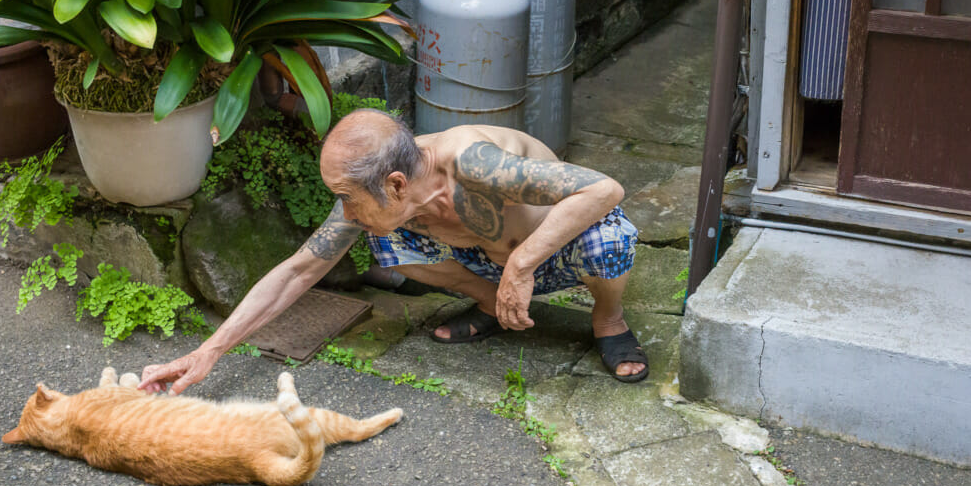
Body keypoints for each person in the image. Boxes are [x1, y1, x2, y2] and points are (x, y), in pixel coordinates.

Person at [139, 109, 648, 395]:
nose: (342, 209)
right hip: (484, 261)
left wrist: (522, 264)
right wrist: (209, 351)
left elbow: (603, 190)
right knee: (384, 242)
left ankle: (609, 319)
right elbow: (297, 271)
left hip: (545, 257)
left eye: (346, 197)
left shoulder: (473, 161)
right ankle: (489, 299)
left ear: (397, 183)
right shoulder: (388, 198)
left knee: (610, 237)